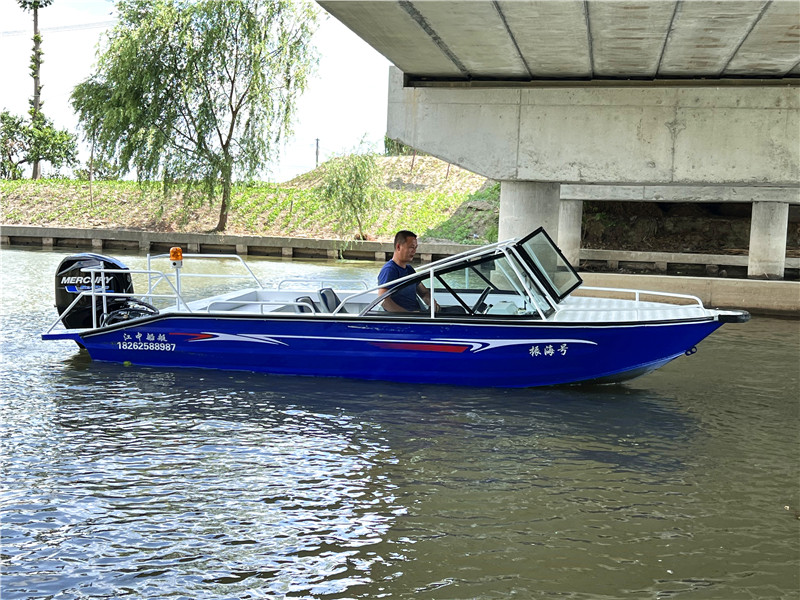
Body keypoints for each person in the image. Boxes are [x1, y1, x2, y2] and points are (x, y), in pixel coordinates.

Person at [377, 230, 438, 312]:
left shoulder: (409, 269)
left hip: (417, 314)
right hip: (406, 318)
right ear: (398, 247)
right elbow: (383, 300)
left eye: (415, 247)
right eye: (411, 247)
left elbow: (423, 293)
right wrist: (407, 314)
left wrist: (432, 304)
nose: (414, 251)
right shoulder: (390, 270)